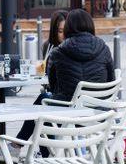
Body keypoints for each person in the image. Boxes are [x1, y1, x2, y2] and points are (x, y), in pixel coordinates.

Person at [14, 9, 115, 149]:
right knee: (44, 103)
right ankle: (32, 149)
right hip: (99, 116)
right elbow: (110, 84)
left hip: (69, 116)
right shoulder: (104, 49)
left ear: (68, 28)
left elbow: (53, 86)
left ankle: (44, 155)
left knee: (43, 106)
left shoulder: (58, 52)